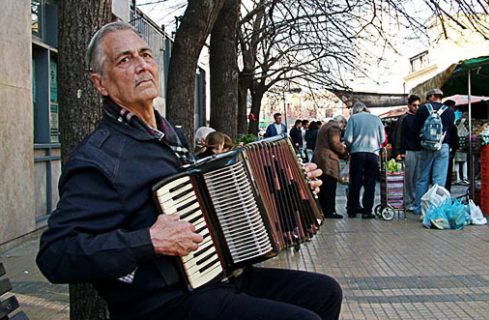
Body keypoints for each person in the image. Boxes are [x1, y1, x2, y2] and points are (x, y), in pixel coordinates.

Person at [35, 22, 342, 320]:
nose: (142, 65)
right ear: (99, 83)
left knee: (325, 292)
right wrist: (149, 241)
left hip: (217, 278)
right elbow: (56, 254)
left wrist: (291, 186)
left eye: (145, 54)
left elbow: (220, 210)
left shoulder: (171, 137)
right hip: (163, 304)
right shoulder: (100, 159)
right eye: (124, 59)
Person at [413, 88, 455, 215]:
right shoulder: (449, 111)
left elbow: (416, 127)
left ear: (431, 96)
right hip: (443, 146)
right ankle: (437, 207)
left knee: (422, 178)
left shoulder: (423, 109)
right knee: (439, 180)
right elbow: (451, 129)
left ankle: (419, 208)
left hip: (426, 146)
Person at [343, 101, 385, 219]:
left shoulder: (353, 119)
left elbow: (348, 138)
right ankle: (367, 211)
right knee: (370, 182)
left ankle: (352, 210)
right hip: (373, 154)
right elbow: (382, 138)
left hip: (357, 153)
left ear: (355, 110)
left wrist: (351, 146)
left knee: (355, 182)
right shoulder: (376, 119)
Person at [312, 115, 349, 219]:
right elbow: (335, 143)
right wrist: (345, 153)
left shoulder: (325, 126)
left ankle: (322, 210)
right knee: (330, 186)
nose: (342, 129)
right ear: (341, 122)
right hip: (328, 161)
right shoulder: (334, 128)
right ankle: (329, 211)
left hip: (319, 159)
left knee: (322, 186)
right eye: (343, 126)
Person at [400, 95, 421, 211]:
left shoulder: (421, 117)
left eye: (418, 105)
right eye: (414, 105)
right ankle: (408, 202)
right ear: (409, 105)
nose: (416, 108)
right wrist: (401, 151)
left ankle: (416, 201)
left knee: (418, 179)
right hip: (409, 151)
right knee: (409, 179)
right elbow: (400, 136)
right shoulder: (405, 119)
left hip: (420, 151)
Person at [443, 99, 459, 192]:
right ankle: (445, 193)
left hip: (447, 150)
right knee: (446, 175)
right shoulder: (451, 125)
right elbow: (455, 140)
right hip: (448, 151)